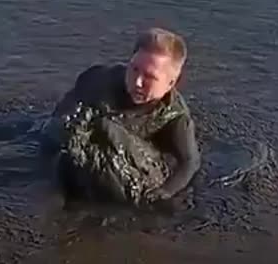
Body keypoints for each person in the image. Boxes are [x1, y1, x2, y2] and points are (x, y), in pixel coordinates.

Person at [40, 27, 201, 207]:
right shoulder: (98, 80)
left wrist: (163, 193)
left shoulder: (175, 116)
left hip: (126, 166)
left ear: (171, 82)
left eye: (149, 77)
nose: (137, 82)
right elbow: (60, 119)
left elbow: (190, 162)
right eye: (134, 69)